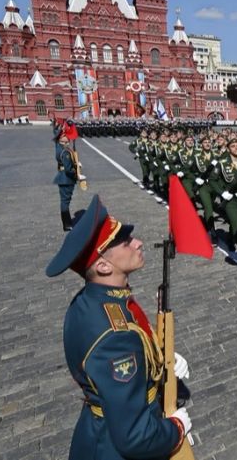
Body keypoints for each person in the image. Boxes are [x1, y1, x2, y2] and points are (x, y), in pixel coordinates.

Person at [45, 195, 191, 460]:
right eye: (126, 241)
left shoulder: (93, 300)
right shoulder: (115, 336)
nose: (138, 243)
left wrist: (159, 358)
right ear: (102, 265)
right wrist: (176, 428)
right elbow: (137, 437)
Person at [53, 131, 79, 231]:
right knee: (65, 202)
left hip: (61, 177)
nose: (67, 137)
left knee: (64, 201)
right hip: (66, 179)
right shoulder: (66, 152)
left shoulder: (58, 147)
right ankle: (67, 224)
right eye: (64, 136)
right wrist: (76, 172)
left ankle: (67, 222)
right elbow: (68, 169)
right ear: (60, 138)